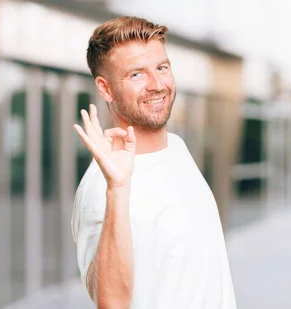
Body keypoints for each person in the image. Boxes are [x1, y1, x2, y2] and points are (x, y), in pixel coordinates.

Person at [71, 16, 237, 309]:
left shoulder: (177, 147)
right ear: (105, 88)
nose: (157, 84)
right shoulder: (101, 189)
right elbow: (111, 304)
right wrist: (118, 188)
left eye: (162, 68)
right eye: (137, 74)